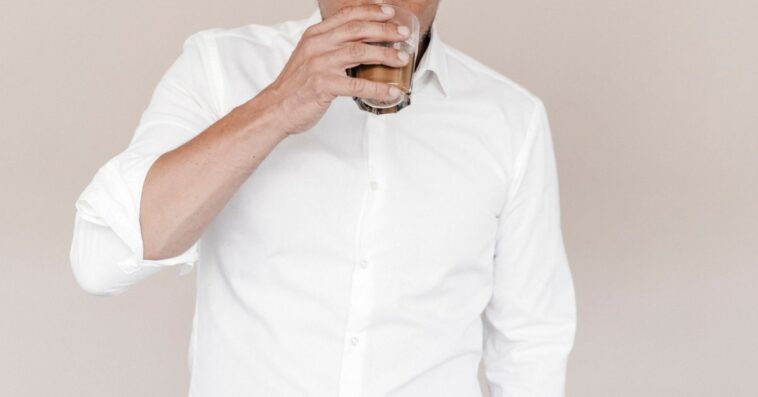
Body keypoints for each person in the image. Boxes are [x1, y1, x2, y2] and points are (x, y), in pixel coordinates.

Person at [69, 1, 577, 396]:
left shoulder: (511, 120)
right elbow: (101, 262)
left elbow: (532, 339)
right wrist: (279, 105)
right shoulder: (219, 68)